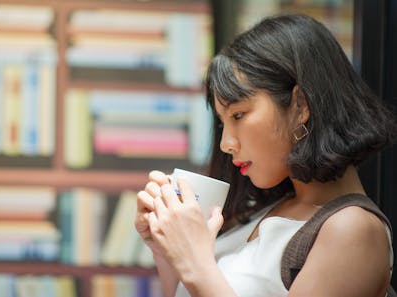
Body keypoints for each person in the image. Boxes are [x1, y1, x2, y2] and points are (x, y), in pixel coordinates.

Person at [135, 13, 397, 297]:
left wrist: (194, 263)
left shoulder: (354, 230)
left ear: (301, 105)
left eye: (238, 114)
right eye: (223, 123)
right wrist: (167, 251)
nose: (225, 144)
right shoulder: (266, 208)